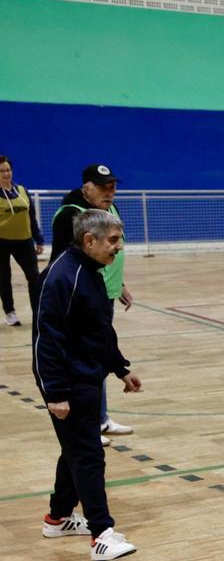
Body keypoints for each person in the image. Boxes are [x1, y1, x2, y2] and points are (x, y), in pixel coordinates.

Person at [33, 209, 143, 561]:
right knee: (88, 453)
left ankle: (59, 517)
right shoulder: (62, 277)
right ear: (89, 240)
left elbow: (99, 330)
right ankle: (102, 534)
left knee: (75, 447)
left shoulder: (92, 272)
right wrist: (56, 393)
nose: (118, 247)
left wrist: (120, 368)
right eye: (112, 240)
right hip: (69, 380)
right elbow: (46, 340)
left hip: (87, 375)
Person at [49, 163, 135, 444]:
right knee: (83, 358)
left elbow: (110, 252)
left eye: (112, 186)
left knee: (99, 354)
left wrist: (118, 284)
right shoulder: (72, 216)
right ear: (87, 188)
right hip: (81, 299)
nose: (109, 192)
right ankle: (89, 424)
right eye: (102, 187)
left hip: (102, 293)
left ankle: (101, 418)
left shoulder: (108, 210)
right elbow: (71, 263)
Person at [0, 155, 44, 326]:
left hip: (24, 241)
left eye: (8, 170)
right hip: (1, 242)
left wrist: (38, 239)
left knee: (34, 276)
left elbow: (31, 217)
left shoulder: (22, 191)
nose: (5, 174)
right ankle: (10, 312)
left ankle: (38, 310)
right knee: (4, 278)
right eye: (2, 171)